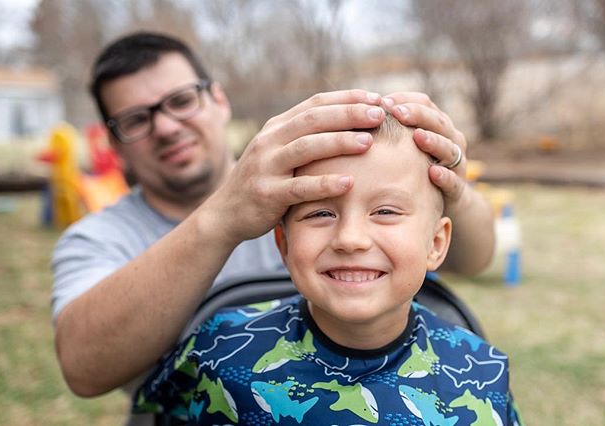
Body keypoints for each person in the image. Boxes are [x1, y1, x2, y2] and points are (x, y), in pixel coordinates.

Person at [51, 31, 495, 402]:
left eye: (181, 100)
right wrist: (222, 219)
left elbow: (474, 259)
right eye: (135, 119)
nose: (166, 127)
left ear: (219, 99)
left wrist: (450, 181)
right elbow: (84, 371)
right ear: (113, 143)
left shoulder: (317, 175)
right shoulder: (98, 238)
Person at [133, 114, 521, 425]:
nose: (350, 238)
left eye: (385, 211)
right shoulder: (219, 349)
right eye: (321, 212)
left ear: (436, 244)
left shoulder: (483, 372)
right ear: (283, 244)